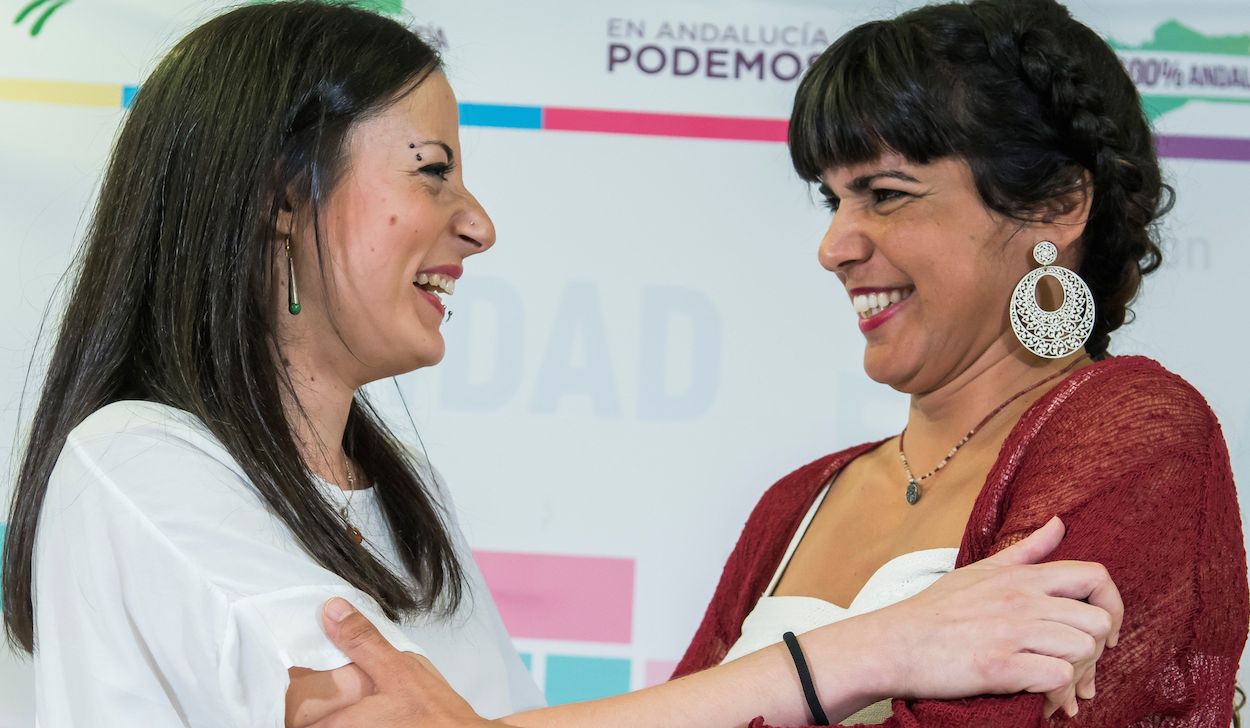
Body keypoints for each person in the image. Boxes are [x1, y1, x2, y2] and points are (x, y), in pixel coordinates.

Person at [1, 3, 1123, 727]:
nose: (475, 222)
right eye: (432, 171)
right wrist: (862, 652)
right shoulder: (136, 461)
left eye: (883, 193)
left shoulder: (393, 495)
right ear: (276, 197)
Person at [667, 0, 1249, 725]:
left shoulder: (1134, 434)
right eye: (833, 200)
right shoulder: (795, 503)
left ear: (1058, 206)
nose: (835, 247)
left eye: (885, 195)